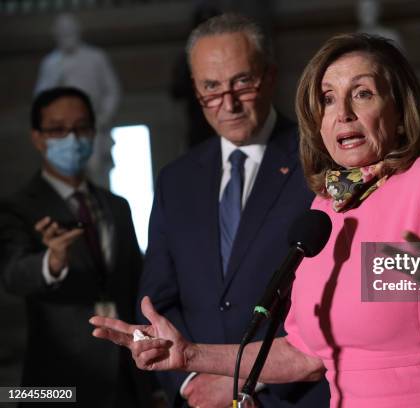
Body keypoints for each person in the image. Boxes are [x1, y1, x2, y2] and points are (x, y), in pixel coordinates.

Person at [90, 33, 420, 407]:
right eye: (328, 99)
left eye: (362, 93)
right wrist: (190, 355)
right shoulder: (325, 209)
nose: (342, 112)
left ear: (400, 113)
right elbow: (306, 353)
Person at [135, 13, 329, 408]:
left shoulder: (320, 162)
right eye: (211, 87)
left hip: (294, 396)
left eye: (242, 81)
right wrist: (190, 383)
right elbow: (157, 298)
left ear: (270, 76)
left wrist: (244, 380)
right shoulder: (175, 180)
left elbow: (334, 300)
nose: (229, 103)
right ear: (195, 89)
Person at [0, 87, 152, 407]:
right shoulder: (18, 208)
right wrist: (51, 261)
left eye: (81, 127)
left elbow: (137, 286)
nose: (71, 138)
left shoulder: (117, 206)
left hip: (126, 378)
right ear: (38, 138)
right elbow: (13, 274)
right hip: (57, 383)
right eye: (57, 129)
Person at [35, 13, 121, 189]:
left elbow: (112, 90)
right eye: (63, 31)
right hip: (61, 131)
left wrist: (104, 116)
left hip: (93, 124)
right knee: (66, 175)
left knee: (96, 171)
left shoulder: (95, 57)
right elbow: (40, 99)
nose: (67, 34)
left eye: (70, 30)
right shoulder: (51, 64)